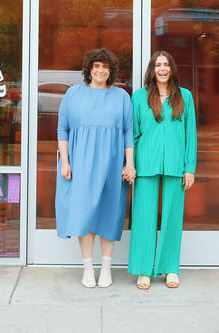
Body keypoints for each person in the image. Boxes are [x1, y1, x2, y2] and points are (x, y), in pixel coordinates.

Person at [55, 48, 135, 288]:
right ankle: (88, 268)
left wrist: (129, 164)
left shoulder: (121, 97)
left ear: (111, 71)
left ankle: (106, 268)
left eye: (106, 67)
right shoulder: (73, 94)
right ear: (89, 69)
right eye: (97, 66)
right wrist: (66, 161)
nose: (101, 70)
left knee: (109, 212)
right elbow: (63, 129)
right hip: (80, 163)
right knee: (84, 213)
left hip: (112, 164)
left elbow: (128, 132)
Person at [128, 50, 197, 289]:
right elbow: (133, 135)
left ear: (172, 68)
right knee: (144, 218)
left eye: (166, 64)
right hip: (145, 165)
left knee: (171, 218)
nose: (162, 69)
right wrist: (131, 164)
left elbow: (191, 135)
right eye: (158, 65)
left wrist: (189, 168)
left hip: (176, 165)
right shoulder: (138, 97)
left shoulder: (185, 97)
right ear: (152, 69)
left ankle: (170, 269)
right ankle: (143, 270)